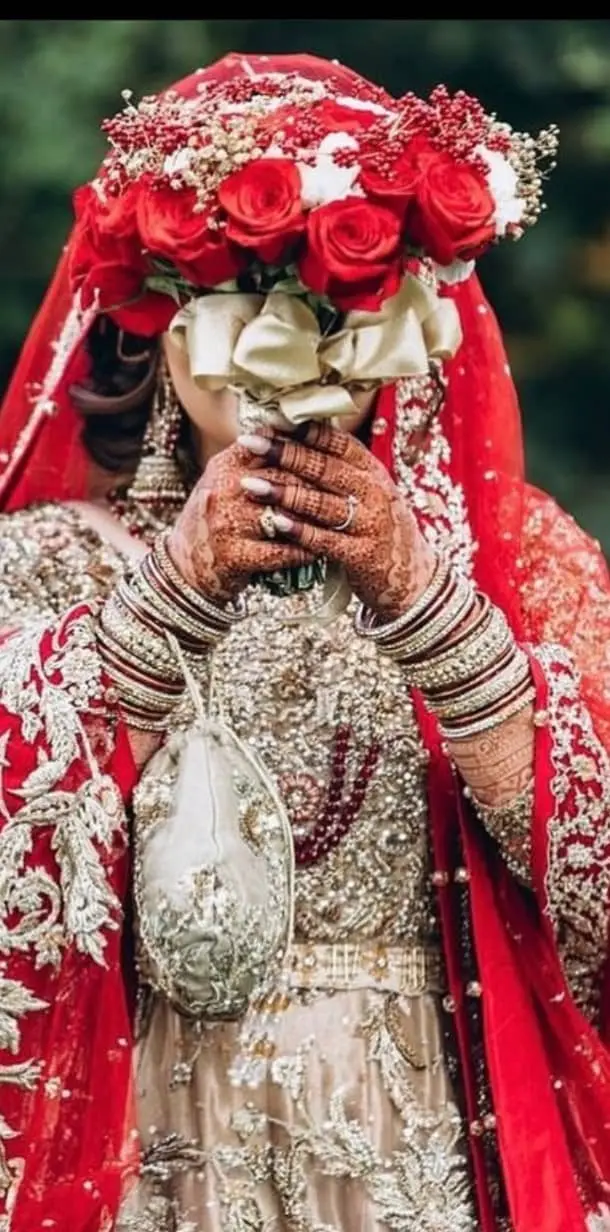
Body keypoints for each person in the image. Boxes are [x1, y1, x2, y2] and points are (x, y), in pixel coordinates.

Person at [0, 49, 609, 1232]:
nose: (298, 363)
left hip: (419, 1148)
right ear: (160, 332)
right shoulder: (50, 562)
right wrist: (161, 602)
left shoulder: (509, 565)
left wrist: (431, 613)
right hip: (152, 1160)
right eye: (253, 310)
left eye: (337, 315)